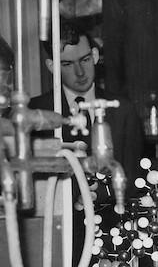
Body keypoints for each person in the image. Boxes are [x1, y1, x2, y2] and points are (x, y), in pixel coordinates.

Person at [28, 21, 143, 266]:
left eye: (85, 60)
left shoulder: (123, 109)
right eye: (67, 64)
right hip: (58, 237)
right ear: (51, 66)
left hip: (113, 238)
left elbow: (133, 179)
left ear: (95, 54)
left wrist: (102, 194)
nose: (80, 73)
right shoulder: (35, 112)